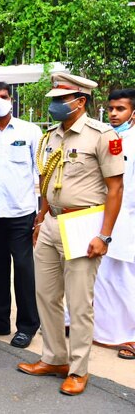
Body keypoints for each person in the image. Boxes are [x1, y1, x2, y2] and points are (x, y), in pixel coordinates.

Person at [17, 73, 124, 396]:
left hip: (83, 225)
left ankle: (78, 369)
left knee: (79, 303)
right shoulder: (51, 135)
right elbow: (49, 179)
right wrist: (40, 218)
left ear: (79, 102)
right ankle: (54, 358)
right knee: (46, 295)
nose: (54, 105)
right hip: (51, 222)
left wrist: (104, 235)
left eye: (60, 100)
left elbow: (115, 188)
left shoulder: (101, 135)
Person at [0, 82, 42, 348]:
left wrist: (42, 212)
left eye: (4, 96)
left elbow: (42, 173)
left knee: (24, 272)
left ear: (11, 100)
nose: (0, 101)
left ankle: (26, 326)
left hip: (21, 214)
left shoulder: (30, 131)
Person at [93, 88, 135, 359]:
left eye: (120, 109)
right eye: (110, 109)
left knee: (126, 278)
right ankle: (101, 331)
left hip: (129, 216)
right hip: (101, 215)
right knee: (100, 276)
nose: (113, 114)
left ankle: (130, 336)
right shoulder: (105, 138)